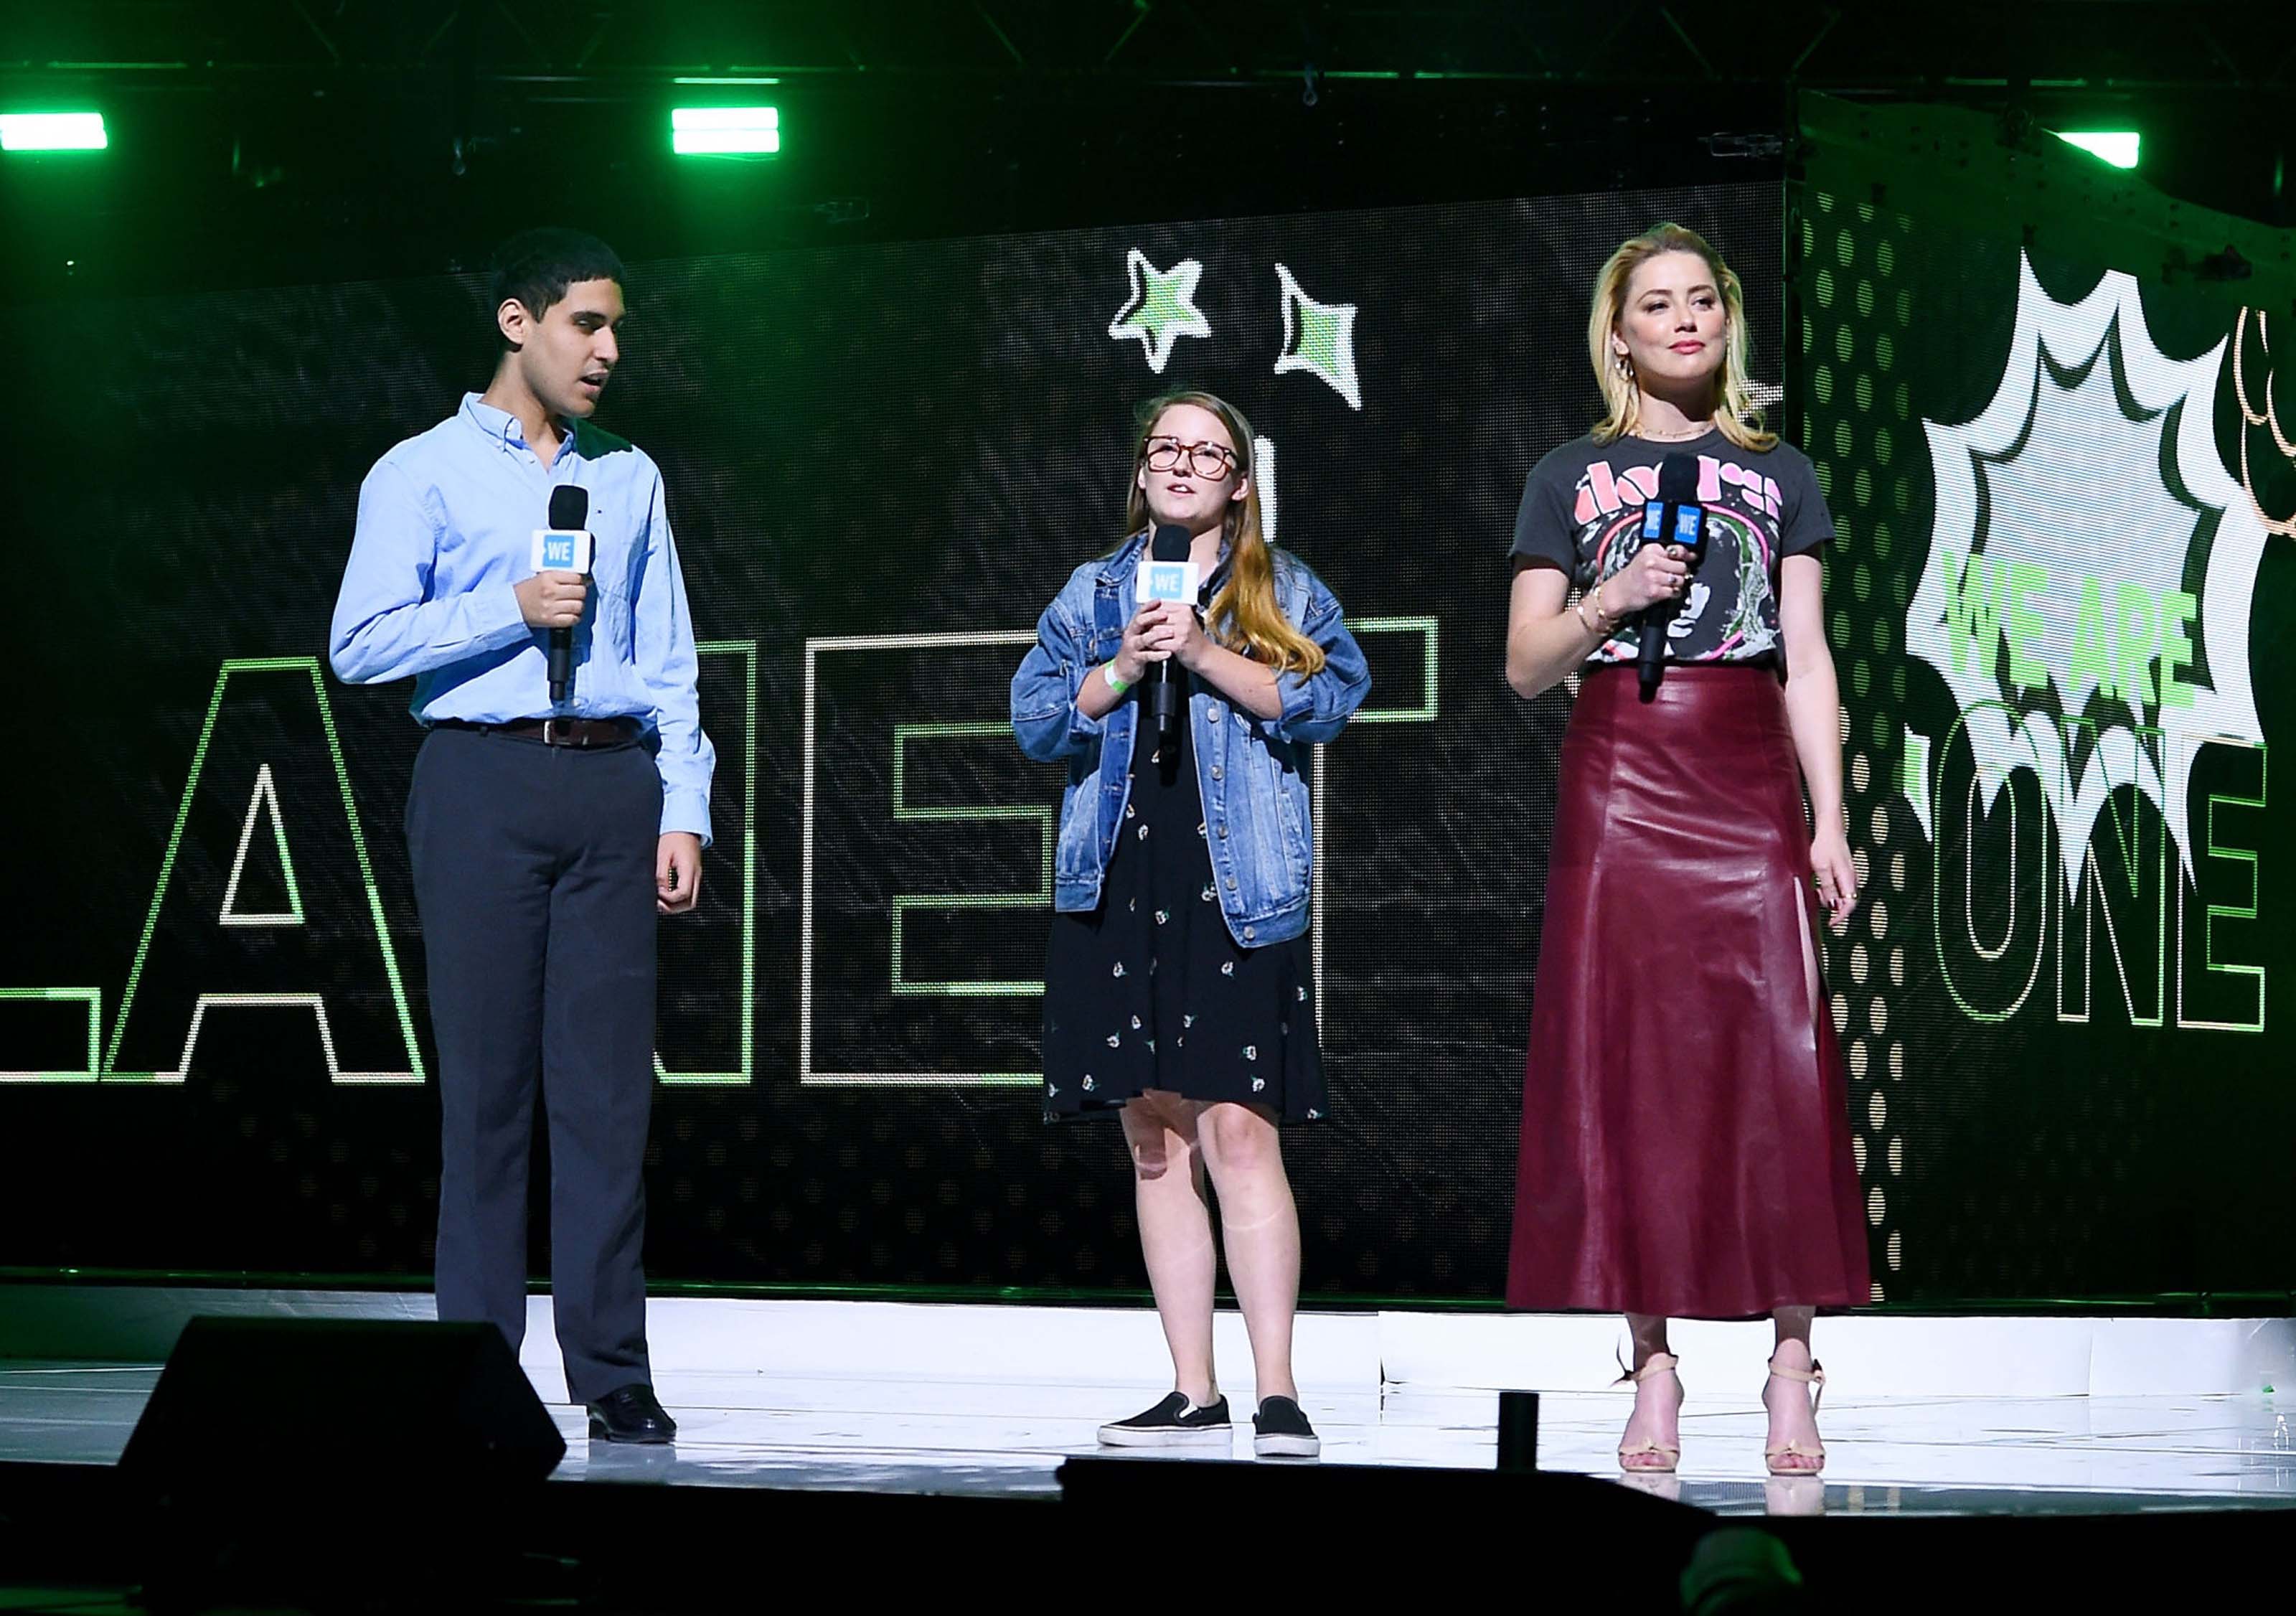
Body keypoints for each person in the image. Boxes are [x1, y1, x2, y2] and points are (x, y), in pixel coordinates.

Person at [329, 227, 714, 1445]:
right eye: (583, 326)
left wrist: (686, 805)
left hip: (611, 786)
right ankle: (476, 1369)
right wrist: (506, 608)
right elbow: (360, 644)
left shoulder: (631, 476)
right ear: (516, 322)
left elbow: (671, 656)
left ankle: (611, 1369)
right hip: (482, 783)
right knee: (486, 1098)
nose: (606, 353)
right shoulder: (421, 473)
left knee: (607, 1102)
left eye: (616, 331)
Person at [1502, 223, 1869, 1476]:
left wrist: (1829, 818)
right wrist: (1608, 598)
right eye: (1656, 304)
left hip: (1741, 761)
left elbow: (1808, 658)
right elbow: (1523, 665)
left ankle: (1788, 1361)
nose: (1684, 319)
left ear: (1726, 320)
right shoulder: (1568, 474)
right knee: (1629, 1064)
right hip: (1620, 763)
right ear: (1619, 333)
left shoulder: (1783, 472)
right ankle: (1650, 1366)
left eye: (1702, 298)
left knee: (1780, 1058)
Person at [1012, 390, 1370, 1459]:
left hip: (1234, 882)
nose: (1180, 465)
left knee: (1237, 1130)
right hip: (1117, 877)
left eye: (1204, 453)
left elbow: (1335, 699)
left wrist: (1210, 655)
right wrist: (1122, 664)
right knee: (1154, 1138)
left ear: (1240, 482)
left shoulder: (1283, 587)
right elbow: (1035, 718)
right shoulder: (1096, 588)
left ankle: (1276, 1391)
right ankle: (1190, 1388)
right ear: (1141, 471)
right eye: (1163, 449)